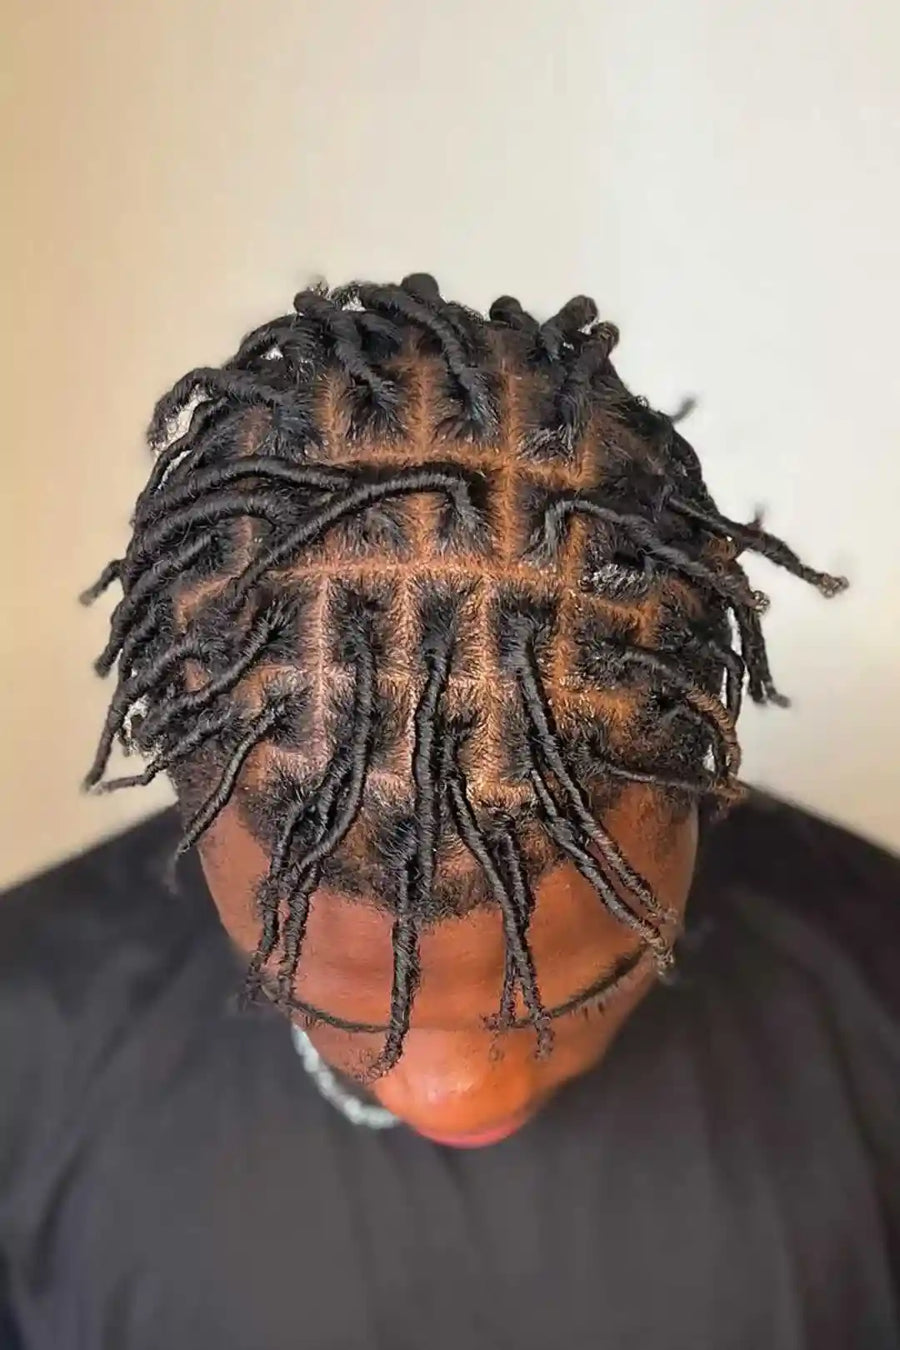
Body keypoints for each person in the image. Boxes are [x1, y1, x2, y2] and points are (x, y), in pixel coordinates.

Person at [0, 274, 897, 1350]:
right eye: (326, 1003)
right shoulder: (22, 1049)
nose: (451, 1095)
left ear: (696, 787)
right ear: (195, 793)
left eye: (579, 993)